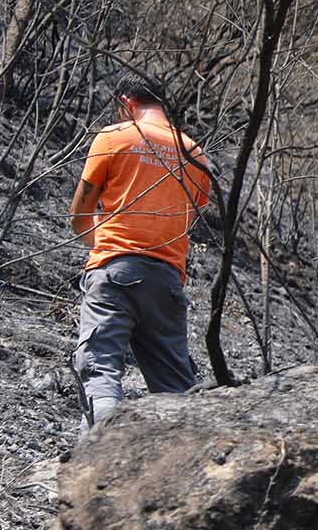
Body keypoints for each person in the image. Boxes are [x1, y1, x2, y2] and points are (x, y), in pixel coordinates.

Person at [69, 79, 212, 424]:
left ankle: (100, 453)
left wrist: (101, 246)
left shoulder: (115, 137)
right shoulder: (195, 153)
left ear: (127, 103)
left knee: (100, 368)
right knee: (175, 386)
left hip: (114, 268)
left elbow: (80, 214)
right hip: (167, 279)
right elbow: (190, 215)